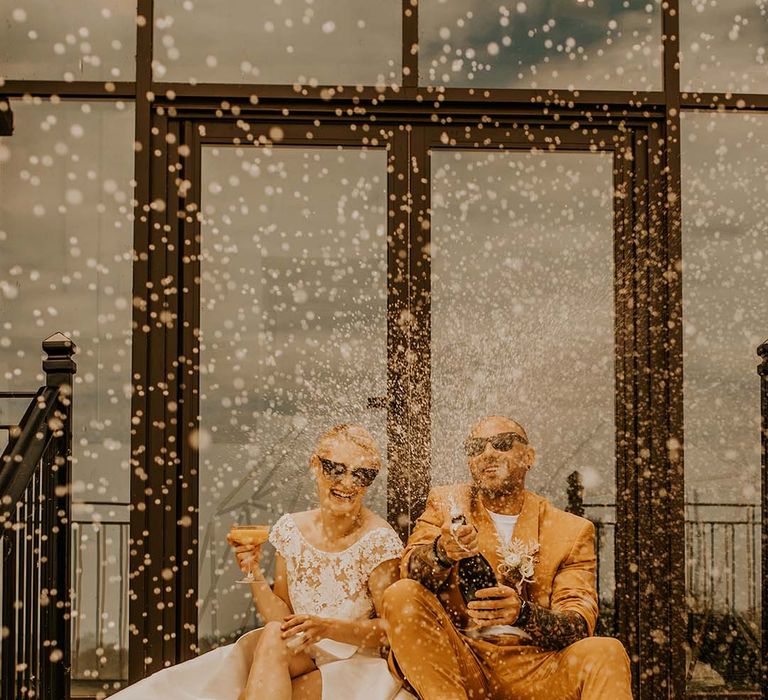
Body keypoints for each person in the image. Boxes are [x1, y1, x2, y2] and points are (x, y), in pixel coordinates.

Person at [112, 424, 414, 700]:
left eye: (361, 474)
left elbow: (389, 629)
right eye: (335, 468)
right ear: (314, 464)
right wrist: (253, 572)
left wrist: (327, 628)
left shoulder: (377, 539)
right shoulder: (291, 530)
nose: (347, 482)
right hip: (301, 653)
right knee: (272, 635)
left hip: (354, 663)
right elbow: (281, 617)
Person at [382, 415, 633, 699]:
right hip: (463, 657)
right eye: (476, 447)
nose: (487, 453)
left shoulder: (571, 530)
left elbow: (577, 625)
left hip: (539, 667)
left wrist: (522, 613)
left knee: (606, 651)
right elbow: (411, 572)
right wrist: (442, 551)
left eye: (501, 443)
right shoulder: (447, 502)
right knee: (401, 594)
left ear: (529, 457)